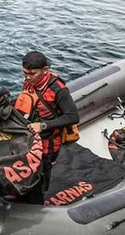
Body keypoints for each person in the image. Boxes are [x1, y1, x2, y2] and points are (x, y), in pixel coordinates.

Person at [14, 51, 80, 204]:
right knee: (26, 166)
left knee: (41, 171)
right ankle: (22, 193)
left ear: (45, 70)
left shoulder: (58, 90)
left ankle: (37, 201)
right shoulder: (29, 82)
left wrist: (43, 125)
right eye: (25, 73)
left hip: (49, 139)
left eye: (32, 74)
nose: (27, 77)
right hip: (30, 135)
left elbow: (73, 117)